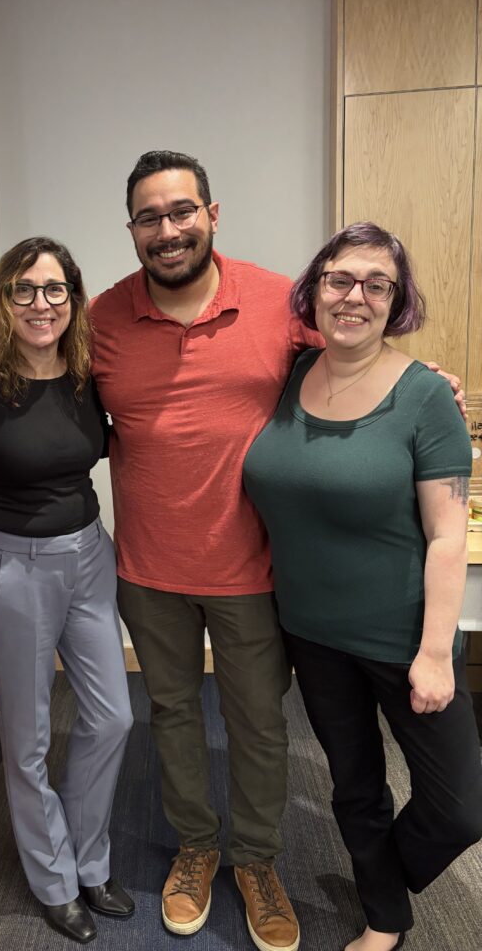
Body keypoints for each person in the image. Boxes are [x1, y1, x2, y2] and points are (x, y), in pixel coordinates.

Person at [89, 151, 463, 951]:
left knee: (260, 724)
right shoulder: (103, 320)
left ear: (212, 216)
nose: (168, 230)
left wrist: (428, 380)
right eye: (149, 218)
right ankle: (196, 847)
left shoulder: (274, 302)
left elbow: (358, 353)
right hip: (148, 569)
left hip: (253, 571)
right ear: (132, 230)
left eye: (182, 211)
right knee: (174, 712)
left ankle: (256, 860)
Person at [243, 222, 482, 951]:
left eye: (377, 284)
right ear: (314, 291)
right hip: (312, 632)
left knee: (460, 808)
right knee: (354, 784)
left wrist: (436, 653)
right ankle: (385, 919)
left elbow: (448, 536)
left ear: (397, 301)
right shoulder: (288, 377)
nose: (355, 296)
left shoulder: (424, 397)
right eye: (340, 279)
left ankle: (382, 876)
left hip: (406, 635)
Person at [0, 236, 134, 945]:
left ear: (73, 300)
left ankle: (89, 860)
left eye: (55, 289)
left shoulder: (89, 373)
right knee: (25, 736)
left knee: (113, 717)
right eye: (24, 289)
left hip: (89, 555)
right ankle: (53, 879)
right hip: (15, 566)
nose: (40, 303)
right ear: (3, 300)